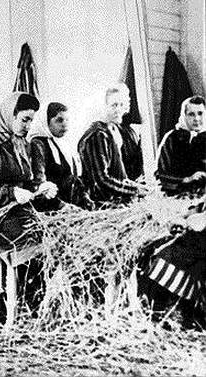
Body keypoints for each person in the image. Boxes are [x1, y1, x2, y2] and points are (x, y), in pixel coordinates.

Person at [0, 92, 56, 248]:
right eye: (24, 120)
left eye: (31, 121)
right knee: (31, 237)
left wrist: (39, 188)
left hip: (15, 212)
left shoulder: (21, 143)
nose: (28, 127)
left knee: (50, 231)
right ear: (10, 115)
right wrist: (11, 193)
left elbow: (23, 181)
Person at [141, 196, 206, 329]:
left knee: (180, 283)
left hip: (194, 256)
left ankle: (182, 319)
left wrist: (191, 218)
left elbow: (196, 223)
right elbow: (193, 219)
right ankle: (158, 314)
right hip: (187, 252)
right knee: (166, 277)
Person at [78, 84, 147, 204]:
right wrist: (135, 190)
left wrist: (139, 187)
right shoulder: (97, 135)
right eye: (114, 105)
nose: (118, 110)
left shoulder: (111, 130)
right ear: (103, 106)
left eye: (121, 105)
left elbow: (119, 177)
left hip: (115, 201)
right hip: (101, 205)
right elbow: (101, 181)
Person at [29, 102, 93, 210]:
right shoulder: (38, 144)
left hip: (72, 206)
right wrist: (62, 206)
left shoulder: (64, 143)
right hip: (52, 207)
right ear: (46, 122)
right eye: (59, 120)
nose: (64, 124)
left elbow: (74, 179)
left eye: (67, 120)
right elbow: (40, 185)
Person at [155, 96, 206, 195]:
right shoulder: (172, 138)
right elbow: (160, 174)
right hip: (176, 196)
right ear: (184, 115)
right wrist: (187, 179)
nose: (196, 119)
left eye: (200, 113)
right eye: (191, 114)